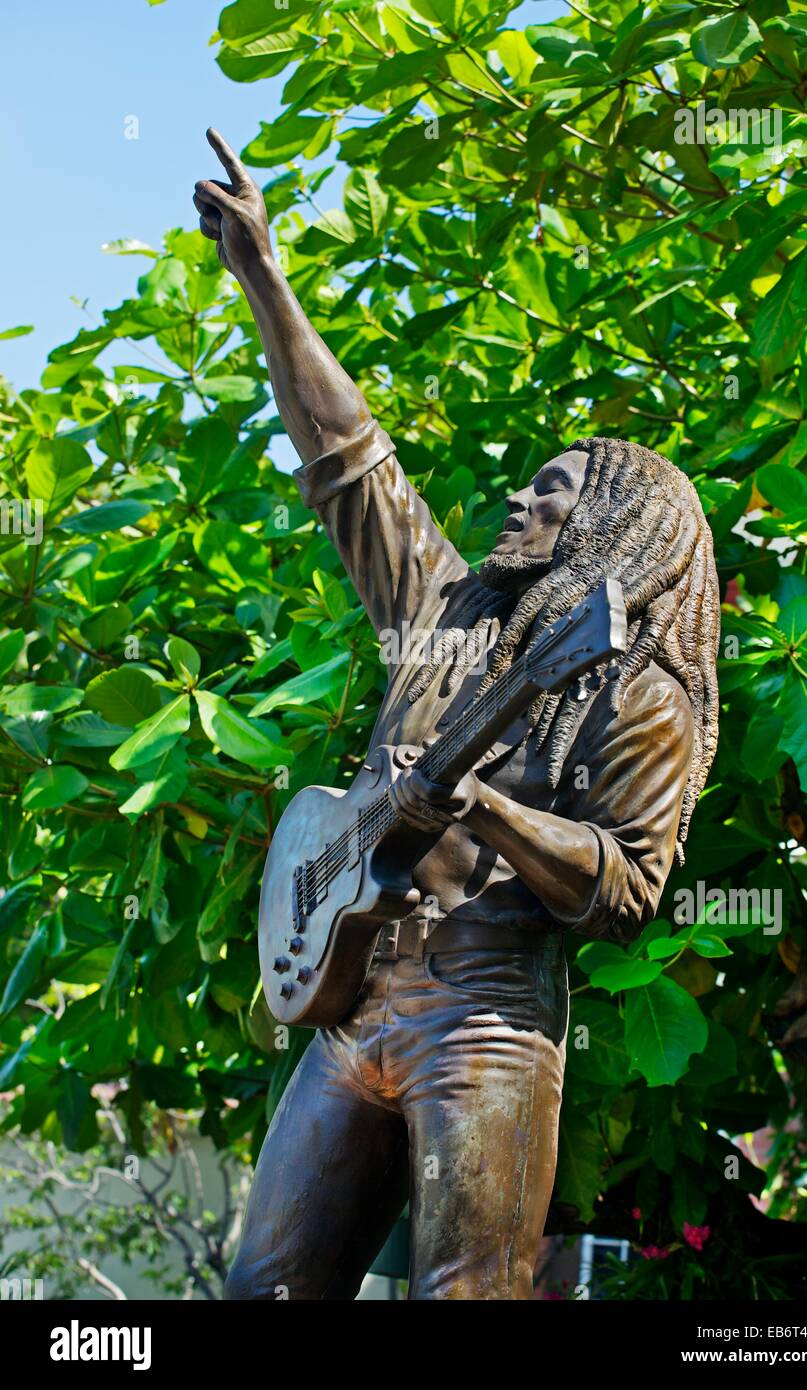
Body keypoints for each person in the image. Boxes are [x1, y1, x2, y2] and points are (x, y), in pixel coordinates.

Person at [194, 130, 720, 1300]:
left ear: (610, 534)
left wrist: (483, 800)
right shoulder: (444, 611)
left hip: (484, 1014)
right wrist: (263, 276)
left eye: (552, 490)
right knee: (260, 1290)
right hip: (354, 1000)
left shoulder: (638, 693)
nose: (520, 498)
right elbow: (347, 459)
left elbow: (625, 885)